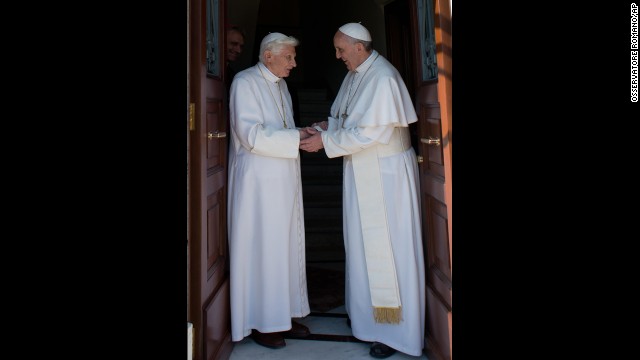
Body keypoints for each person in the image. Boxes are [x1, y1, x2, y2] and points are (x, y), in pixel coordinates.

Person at [299, 22, 426, 358]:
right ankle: (368, 321)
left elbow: (371, 134)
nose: (338, 56)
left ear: (358, 46)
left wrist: (324, 141)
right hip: (362, 170)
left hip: (386, 175)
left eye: (341, 49)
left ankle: (397, 333)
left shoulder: (383, 78)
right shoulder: (357, 74)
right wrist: (328, 126)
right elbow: (351, 121)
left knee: (390, 248)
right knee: (360, 246)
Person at [227, 32, 313, 350]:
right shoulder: (245, 83)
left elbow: (284, 130)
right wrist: (298, 137)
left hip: (284, 180)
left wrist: (303, 133)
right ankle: (262, 322)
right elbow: (251, 134)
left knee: (285, 249)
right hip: (258, 186)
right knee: (264, 251)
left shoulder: (282, 85)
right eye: (288, 57)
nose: (294, 63)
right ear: (268, 56)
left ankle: (284, 316)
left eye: (293, 56)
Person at [225, 25, 246, 96]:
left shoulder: (233, 76)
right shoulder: (206, 69)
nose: (239, 50)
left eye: (241, 47)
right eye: (234, 44)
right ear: (222, 41)